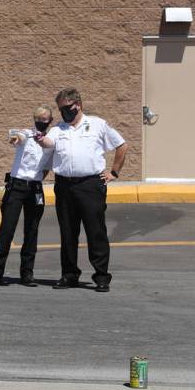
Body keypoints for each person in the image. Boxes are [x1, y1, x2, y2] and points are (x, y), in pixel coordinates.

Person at [35, 87, 128, 292]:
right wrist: (40, 139)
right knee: (68, 232)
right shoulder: (58, 129)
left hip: (90, 185)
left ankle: (101, 276)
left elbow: (121, 145)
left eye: (66, 108)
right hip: (65, 185)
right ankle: (69, 275)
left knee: (96, 231)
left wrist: (114, 172)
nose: (64, 113)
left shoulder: (97, 124)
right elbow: (48, 145)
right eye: (61, 110)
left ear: (78, 105)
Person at [0, 106, 54, 287]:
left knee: (32, 231)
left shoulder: (50, 141)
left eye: (46, 118)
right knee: (7, 230)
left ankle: (27, 274)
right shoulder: (26, 134)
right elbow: (16, 138)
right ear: (34, 118)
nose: (42, 121)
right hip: (17, 186)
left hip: (35, 188)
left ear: (50, 121)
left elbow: (46, 168)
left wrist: (36, 180)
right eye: (39, 118)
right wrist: (14, 139)